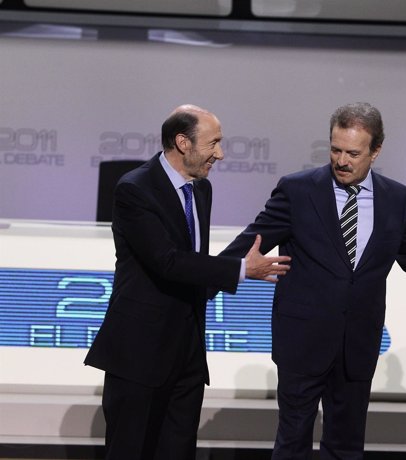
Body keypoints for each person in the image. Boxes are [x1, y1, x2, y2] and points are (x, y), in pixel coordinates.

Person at [218, 102, 406, 459]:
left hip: (358, 346)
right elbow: (247, 246)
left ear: (375, 151)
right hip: (302, 343)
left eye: (353, 152)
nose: (342, 161)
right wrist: (209, 277)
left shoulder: (396, 198)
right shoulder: (297, 190)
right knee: (292, 443)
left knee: (346, 447)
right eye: (335, 150)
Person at [84, 104, 291, 460]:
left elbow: (192, 262)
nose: (221, 154)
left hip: (187, 355)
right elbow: (167, 261)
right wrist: (241, 269)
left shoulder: (201, 189)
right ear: (183, 142)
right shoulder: (135, 189)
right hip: (139, 353)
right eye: (213, 143)